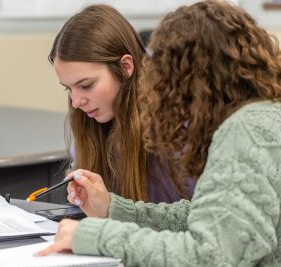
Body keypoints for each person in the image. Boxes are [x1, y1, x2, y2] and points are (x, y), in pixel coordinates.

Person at [39, 0, 281, 266]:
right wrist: (115, 209)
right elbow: (204, 215)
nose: (157, 87)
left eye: (165, 75)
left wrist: (96, 235)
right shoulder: (256, 118)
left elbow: (211, 255)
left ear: (195, 79)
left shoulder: (246, 129)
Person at [49, 4, 194, 203]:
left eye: (86, 85)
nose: (76, 102)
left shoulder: (180, 126)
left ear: (125, 67)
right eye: (69, 88)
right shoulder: (92, 120)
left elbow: (195, 221)